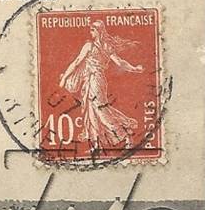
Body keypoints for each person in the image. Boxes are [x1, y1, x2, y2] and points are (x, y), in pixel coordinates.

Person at [58, 20, 144, 153]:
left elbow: (76, 63)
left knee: (100, 110)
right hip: (91, 81)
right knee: (91, 111)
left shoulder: (91, 46)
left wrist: (64, 78)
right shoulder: (104, 46)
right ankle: (96, 145)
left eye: (92, 30)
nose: (90, 32)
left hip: (96, 81)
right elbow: (120, 63)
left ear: (99, 31)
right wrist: (135, 69)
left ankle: (125, 137)